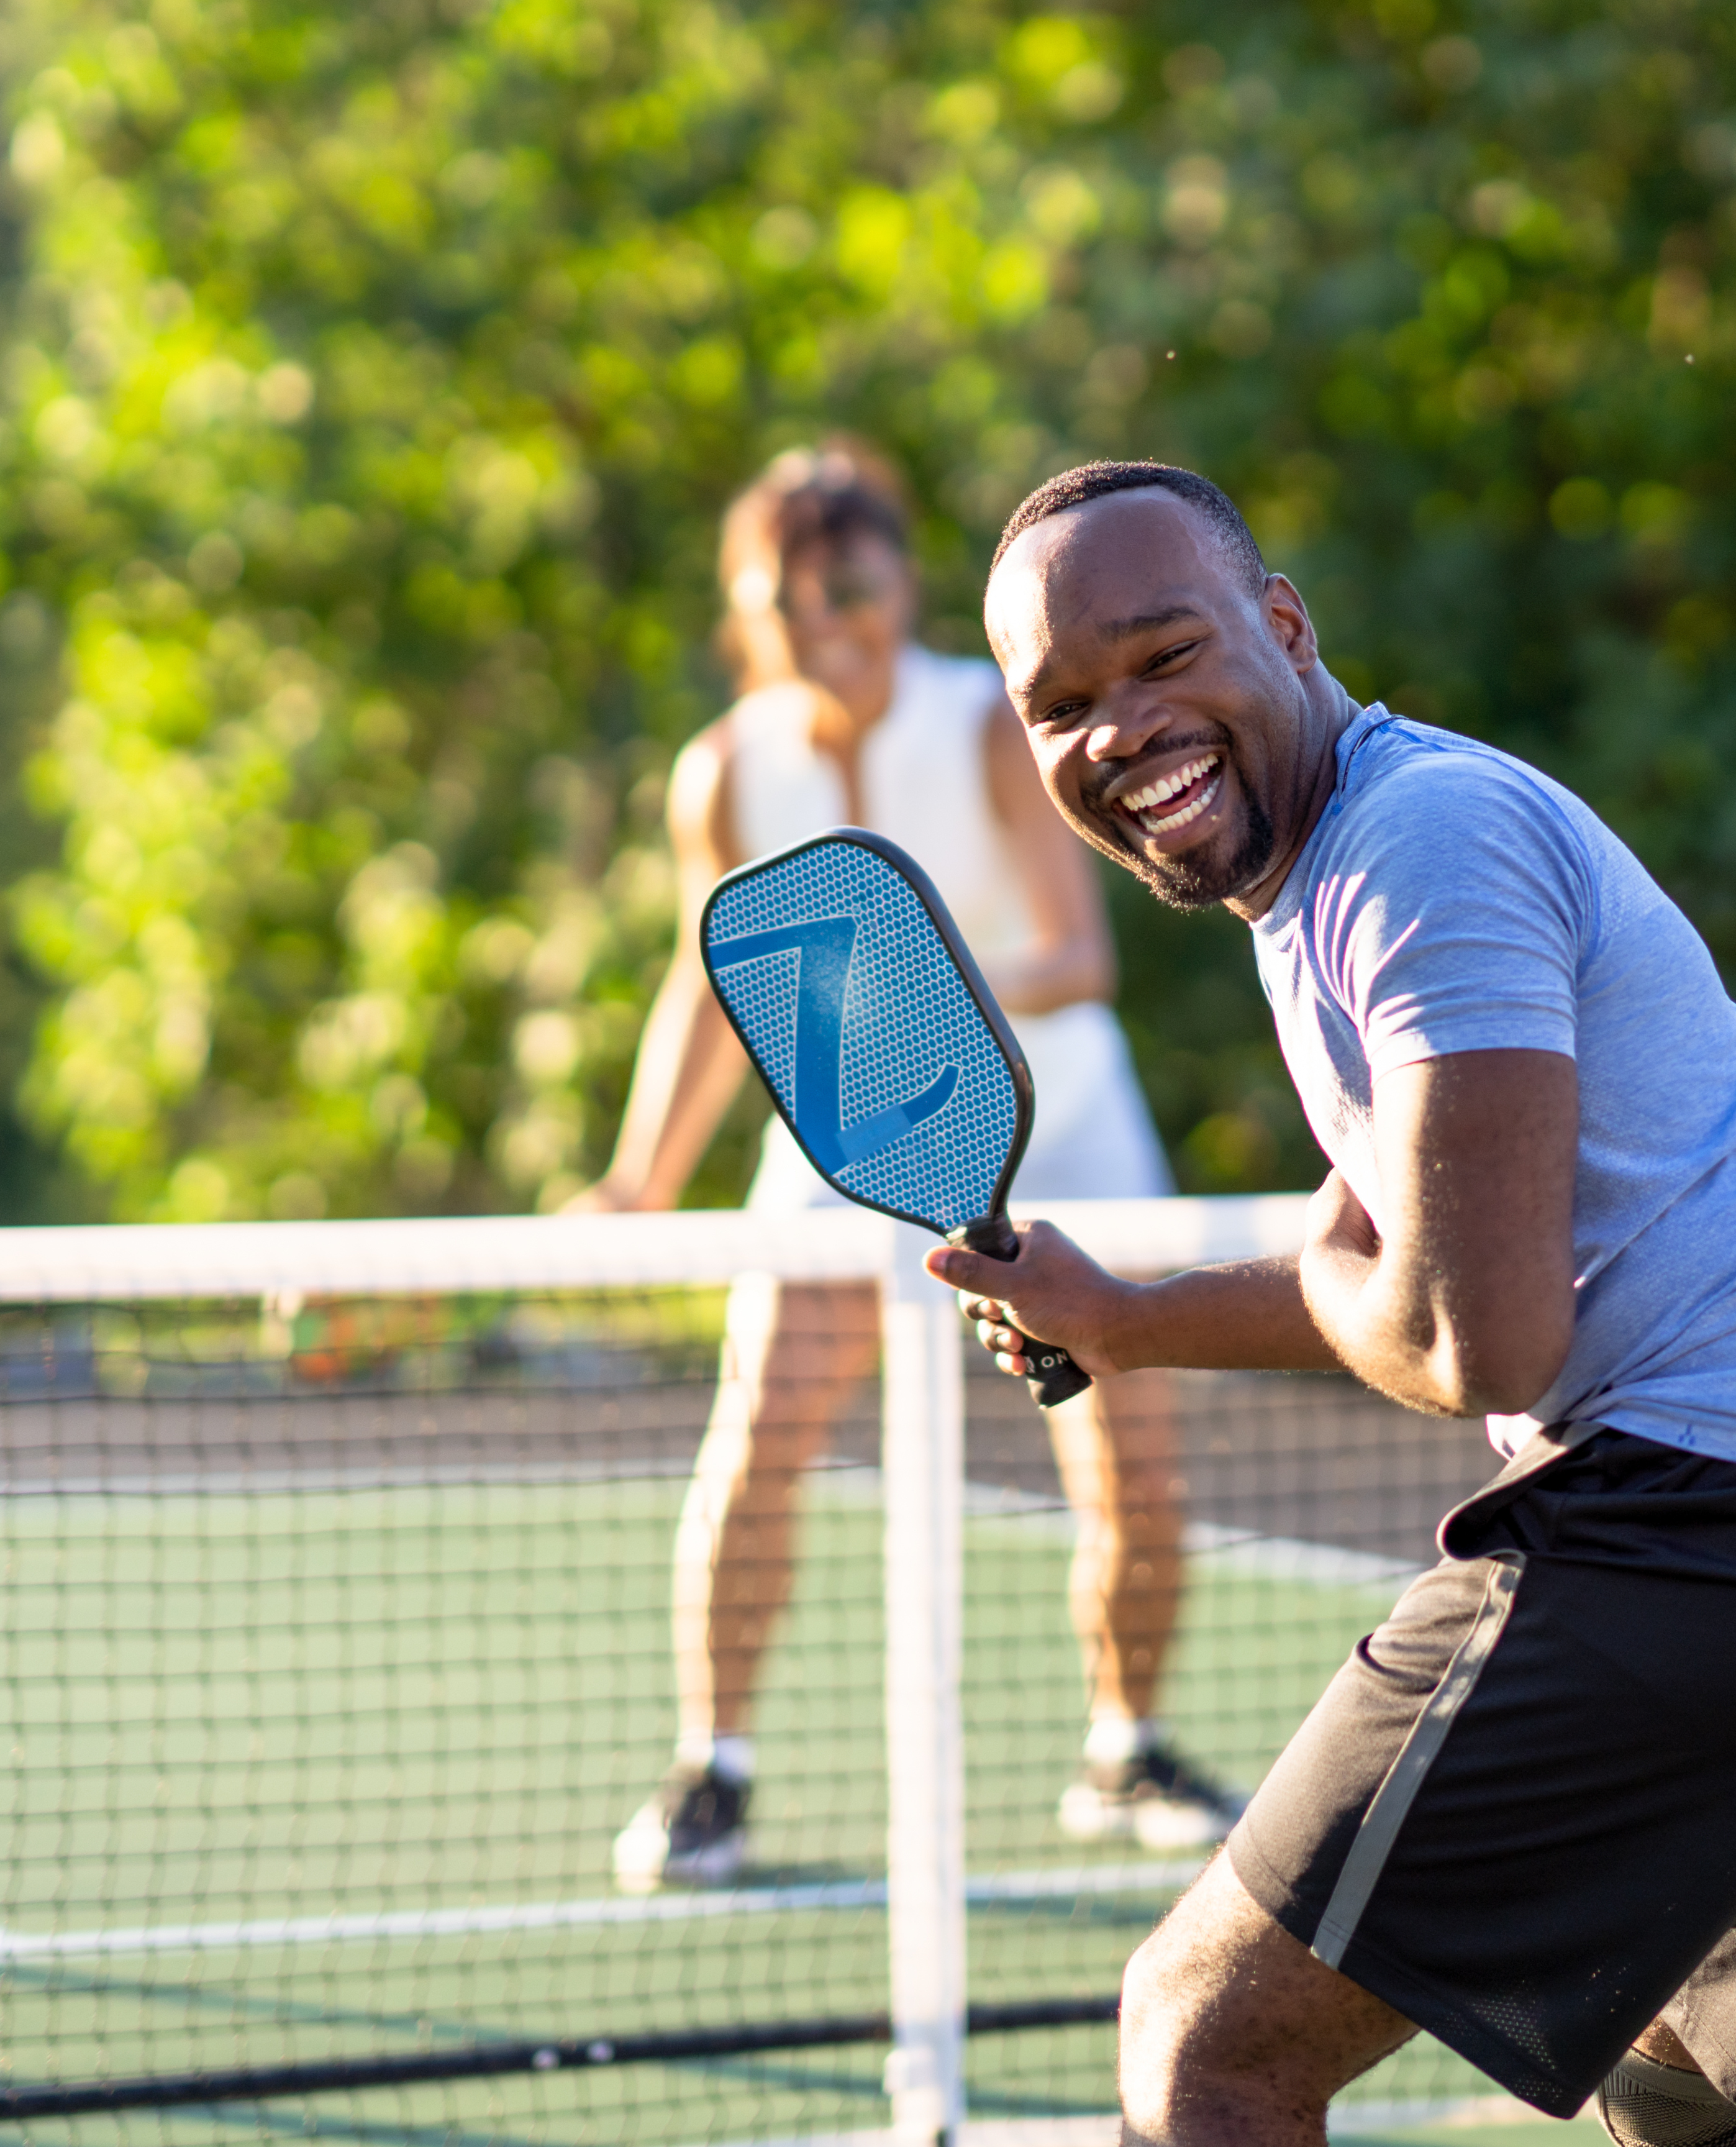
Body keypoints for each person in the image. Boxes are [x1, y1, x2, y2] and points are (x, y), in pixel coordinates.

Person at [930, 462, 1736, 2147]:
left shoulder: (1418, 847)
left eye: (1165, 655)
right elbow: (1415, 1265)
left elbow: (1478, 1338)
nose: (1119, 728)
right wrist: (1123, 1316)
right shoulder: (1344, 865)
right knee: (1684, 2097)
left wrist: (1320, 1280)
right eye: (1060, 705)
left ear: (1286, 626)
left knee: (1204, 2042)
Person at [578, 442, 1243, 1893]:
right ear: (749, 615)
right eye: (791, 600)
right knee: (759, 1434)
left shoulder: (990, 722)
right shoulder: (723, 771)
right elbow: (708, 984)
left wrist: (915, 1005)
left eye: (855, 588)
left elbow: (1077, 955)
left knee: (1130, 1459)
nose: (831, 622)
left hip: (1063, 1127)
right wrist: (638, 1177)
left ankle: (1125, 1748)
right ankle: (713, 1770)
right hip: (843, 1145)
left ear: (899, 584)